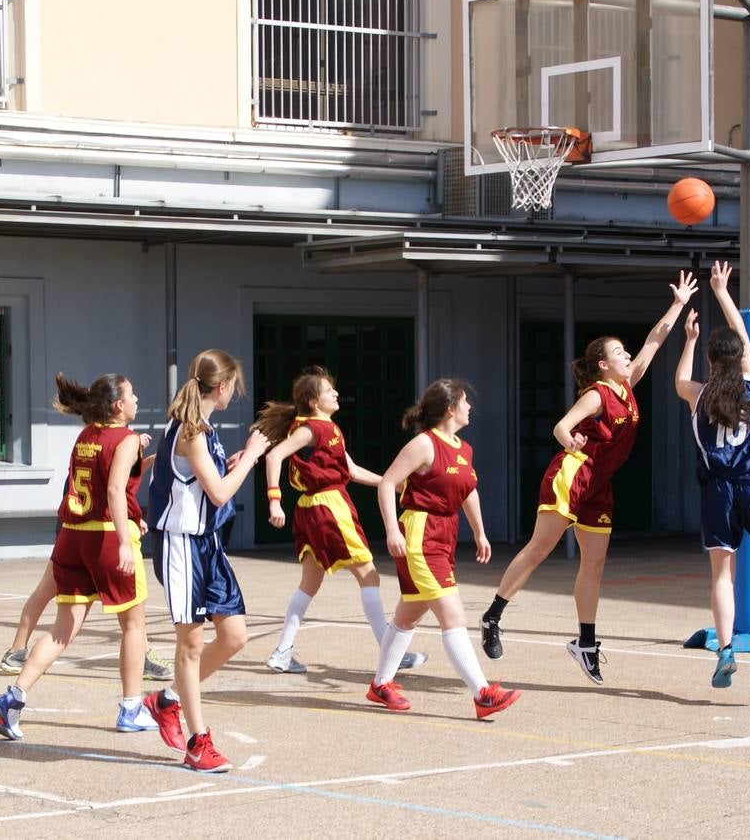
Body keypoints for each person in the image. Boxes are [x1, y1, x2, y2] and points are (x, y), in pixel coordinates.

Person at [480, 272, 699, 684]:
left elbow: (654, 340)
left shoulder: (628, 385)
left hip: (600, 483)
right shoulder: (598, 394)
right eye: (620, 352)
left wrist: (678, 303)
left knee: (594, 565)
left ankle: (584, 642)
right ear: (604, 364)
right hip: (572, 475)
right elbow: (561, 427)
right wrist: (572, 441)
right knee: (540, 549)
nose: (628, 354)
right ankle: (493, 616)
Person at [0, 372, 158, 739]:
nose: (137, 399)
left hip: (72, 538)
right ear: (118, 406)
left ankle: (13, 698)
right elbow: (114, 490)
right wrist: (125, 540)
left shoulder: (86, 436)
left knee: (62, 630)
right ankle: (131, 708)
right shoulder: (125, 438)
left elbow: (105, 483)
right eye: (132, 394)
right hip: (105, 539)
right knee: (133, 625)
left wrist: (142, 462)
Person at [141, 350, 270, 773]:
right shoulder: (191, 431)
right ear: (223, 386)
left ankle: (167, 700)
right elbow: (218, 493)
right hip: (180, 544)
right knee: (191, 643)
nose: (236, 391)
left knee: (234, 637)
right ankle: (198, 743)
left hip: (207, 544)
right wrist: (251, 455)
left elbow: (202, 480)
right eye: (235, 385)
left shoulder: (204, 430)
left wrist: (230, 460)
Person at [256, 366, 427, 674]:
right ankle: (392, 652)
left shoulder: (326, 428)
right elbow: (273, 456)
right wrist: (274, 500)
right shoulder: (312, 429)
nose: (335, 393)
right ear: (312, 400)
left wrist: (390, 482)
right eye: (328, 390)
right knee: (369, 576)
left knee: (309, 583)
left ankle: (282, 651)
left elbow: (351, 470)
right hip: (329, 507)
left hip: (311, 509)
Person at [366, 378, 521, 719]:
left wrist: (480, 532)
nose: (470, 408)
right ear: (451, 408)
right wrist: (392, 529)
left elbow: (469, 491)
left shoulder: (464, 449)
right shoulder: (424, 444)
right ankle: (483, 694)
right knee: (453, 615)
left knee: (409, 613)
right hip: (420, 531)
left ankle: (381, 685)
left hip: (445, 531)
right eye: (466, 402)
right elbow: (388, 483)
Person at [674, 261, 750, 688]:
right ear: (740, 359)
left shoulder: (698, 395)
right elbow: (742, 339)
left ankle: (725, 650)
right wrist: (723, 293)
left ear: (709, 357)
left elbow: (679, 379)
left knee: (720, 575)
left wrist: (688, 339)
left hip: (716, 492)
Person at [0, 496, 174, 681]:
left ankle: (17, 655)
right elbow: (112, 487)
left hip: (80, 524)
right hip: (88, 524)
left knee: (50, 594)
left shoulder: (80, 467)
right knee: (127, 613)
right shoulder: (103, 469)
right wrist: (129, 516)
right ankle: (17, 651)